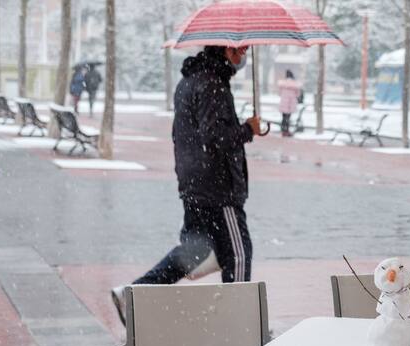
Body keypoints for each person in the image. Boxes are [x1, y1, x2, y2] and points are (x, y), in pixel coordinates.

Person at [110, 45, 262, 324]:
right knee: (239, 254)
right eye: (241, 50)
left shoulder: (190, 81)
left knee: (196, 250)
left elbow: (196, 134)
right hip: (218, 188)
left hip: (195, 183)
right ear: (227, 50)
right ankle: (240, 323)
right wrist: (248, 129)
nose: (244, 56)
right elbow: (216, 137)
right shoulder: (212, 83)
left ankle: (133, 296)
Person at [277, 70, 302, 137]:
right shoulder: (295, 85)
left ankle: (283, 130)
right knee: (288, 117)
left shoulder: (282, 84)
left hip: (283, 103)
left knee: (284, 117)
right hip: (291, 103)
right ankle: (286, 131)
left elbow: (279, 93)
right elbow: (298, 94)